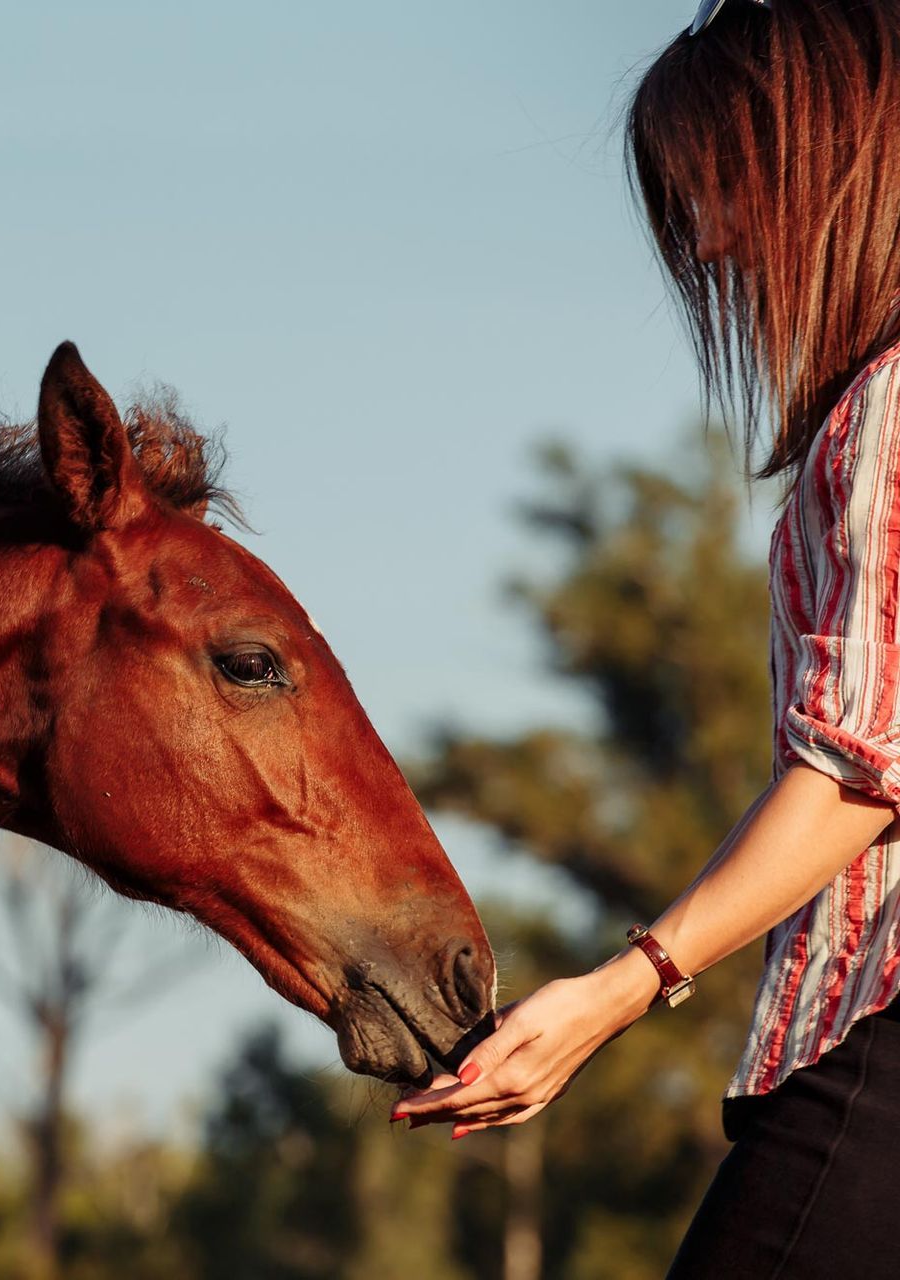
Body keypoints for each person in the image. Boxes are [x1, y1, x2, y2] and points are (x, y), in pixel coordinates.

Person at [391, 1, 900, 1274]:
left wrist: (612, 993)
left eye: (724, 188)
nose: (714, 241)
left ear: (825, 158)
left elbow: (863, 764)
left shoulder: (890, 407)